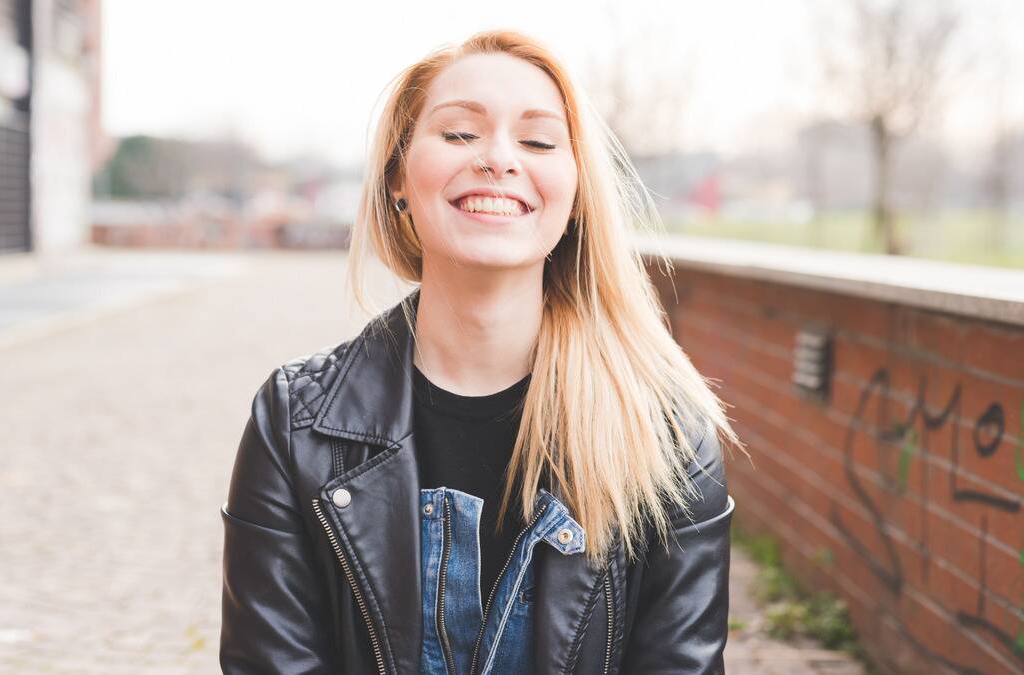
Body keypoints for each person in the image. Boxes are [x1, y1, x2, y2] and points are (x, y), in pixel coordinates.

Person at [220, 28, 748, 675]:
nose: (498, 158)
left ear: (577, 194)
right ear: (397, 179)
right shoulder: (293, 427)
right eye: (460, 133)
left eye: (537, 140)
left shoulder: (665, 437)